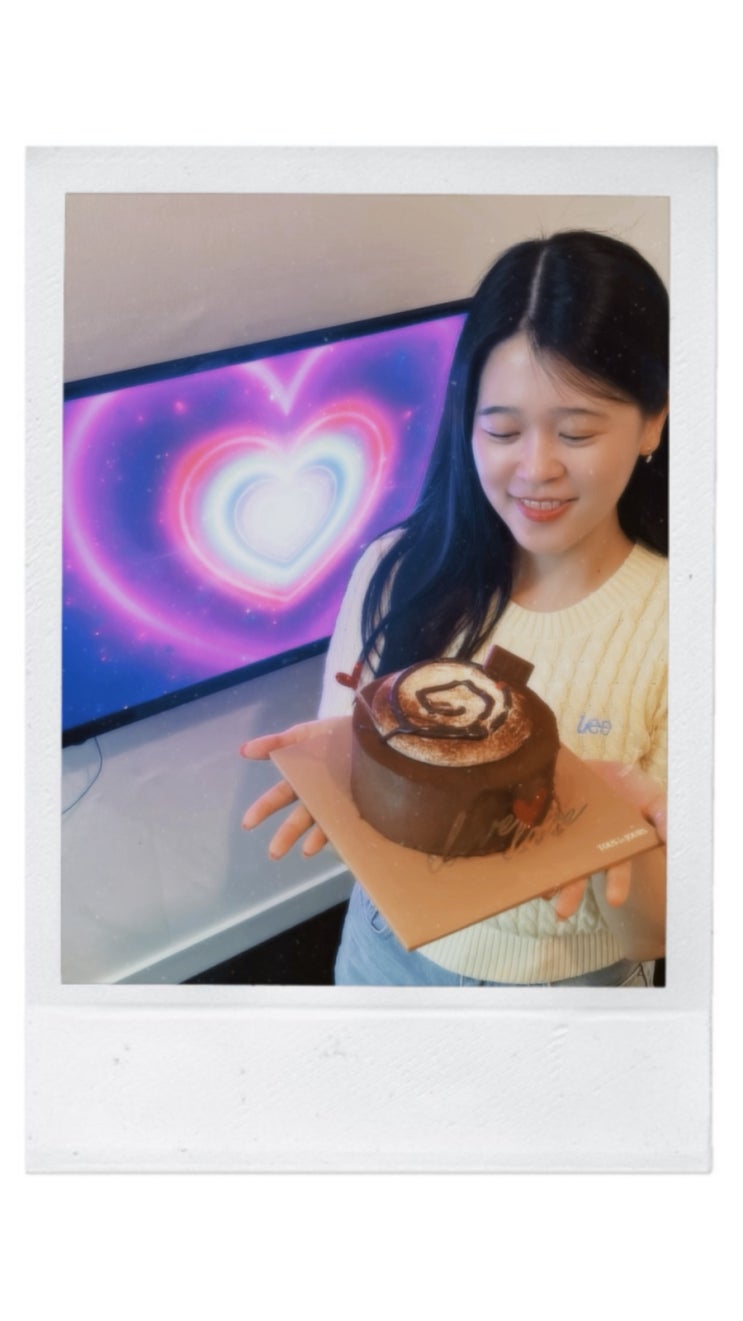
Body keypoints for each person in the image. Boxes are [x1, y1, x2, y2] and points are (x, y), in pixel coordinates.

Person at [240, 229, 669, 987]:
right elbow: (366, 793)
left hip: (568, 990)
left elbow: (657, 936)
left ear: (653, 423)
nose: (535, 468)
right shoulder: (399, 572)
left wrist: (620, 841)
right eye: (500, 429)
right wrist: (338, 780)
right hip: (384, 954)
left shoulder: (685, 626)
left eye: (576, 431)